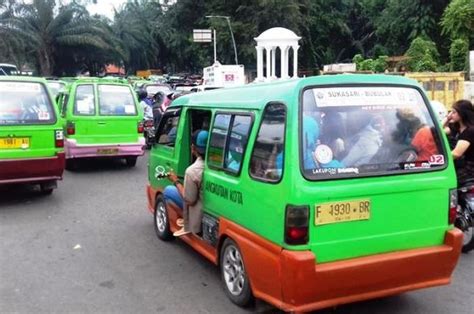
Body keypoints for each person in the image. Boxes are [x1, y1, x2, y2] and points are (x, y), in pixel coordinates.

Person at [163, 129, 209, 236]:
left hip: (199, 213)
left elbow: (189, 200)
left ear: (193, 148)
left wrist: (175, 181)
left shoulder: (192, 171)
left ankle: (187, 222)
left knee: (168, 191)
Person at [442, 99, 474, 184]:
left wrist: (440, 161)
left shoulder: (470, 131)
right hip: (458, 163)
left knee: (446, 180)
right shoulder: (456, 127)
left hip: (469, 167)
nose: (451, 114)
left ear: (462, 114)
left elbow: (456, 153)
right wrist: (447, 118)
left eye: (454, 112)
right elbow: (439, 132)